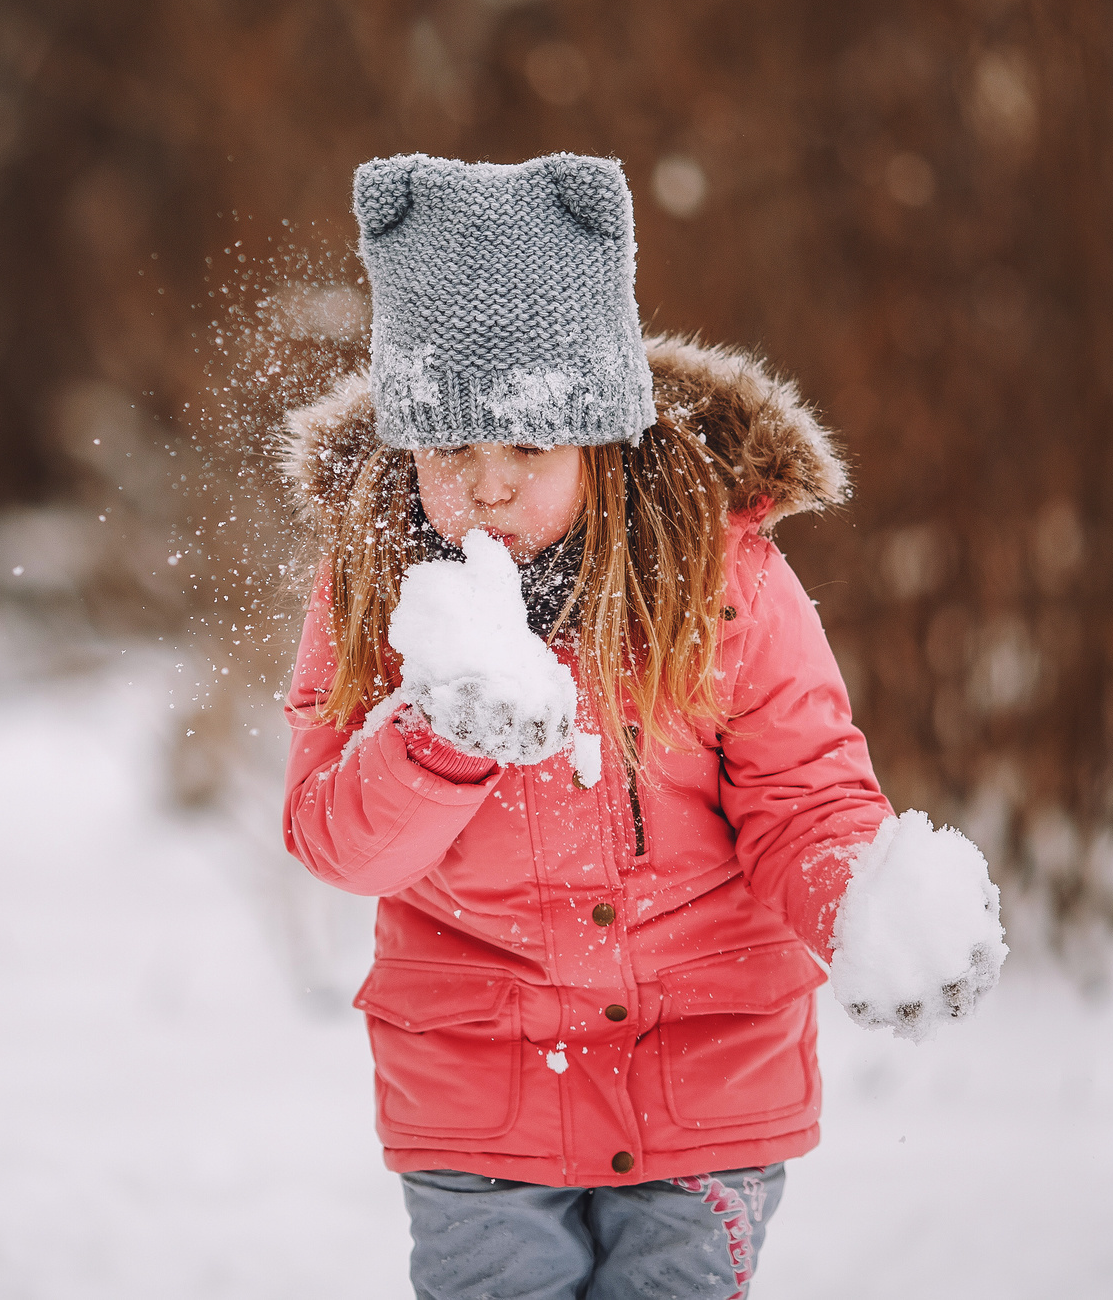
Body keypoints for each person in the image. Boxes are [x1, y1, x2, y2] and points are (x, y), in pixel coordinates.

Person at [279, 152, 1003, 1299]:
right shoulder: (374, 585)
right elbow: (334, 837)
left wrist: (860, 903)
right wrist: (441, 733)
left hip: (704, 1083)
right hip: (478, 1102)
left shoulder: (719, 574)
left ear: (601, 438)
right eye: (449, 449)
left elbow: (802, 795)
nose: (488, 485)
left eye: (528, 446)